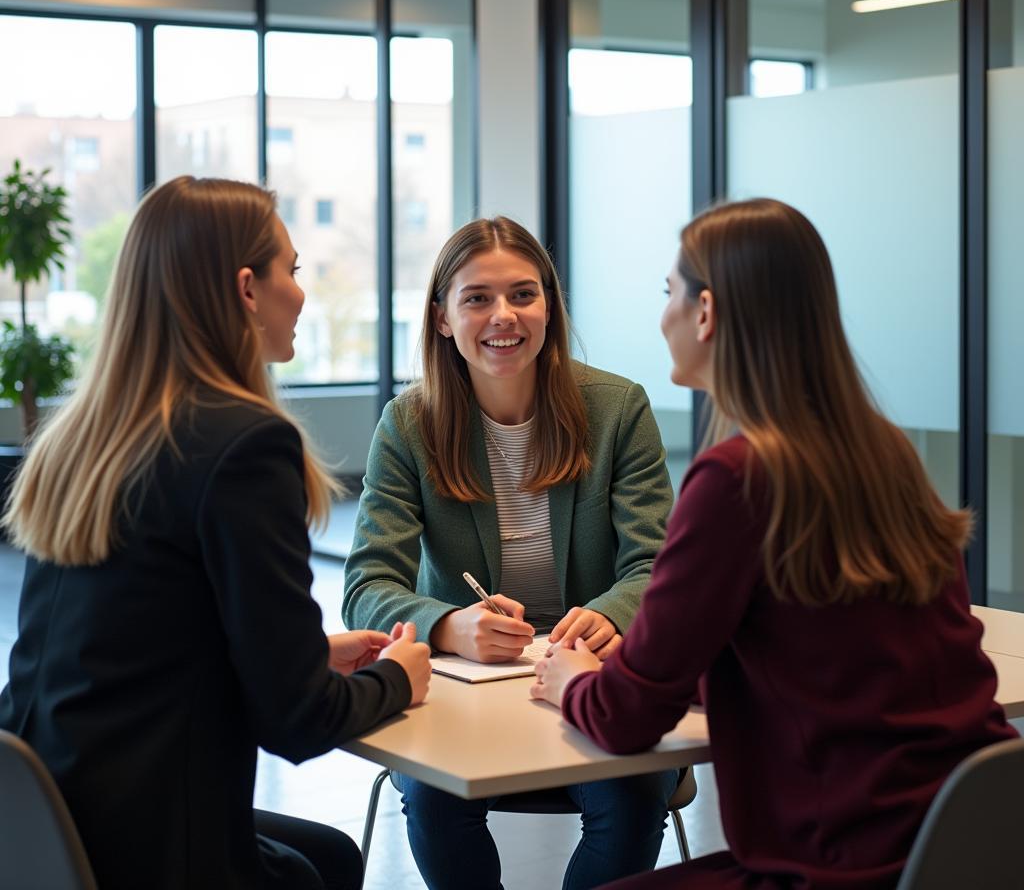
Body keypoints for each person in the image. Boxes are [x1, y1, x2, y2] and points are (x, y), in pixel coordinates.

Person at [531, 198, 1018, 890]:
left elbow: (626, 719)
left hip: (837, 863)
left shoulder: (736, 479)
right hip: (964, 845)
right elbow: (830, 651)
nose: (661, 314)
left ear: (706, 313)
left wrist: (575, 682)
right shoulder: (884, 451)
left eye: (667, 292)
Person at [0, 176, 432, 890]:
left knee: (326, 855)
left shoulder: (82, 438)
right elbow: (296, 723)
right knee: (316, 872)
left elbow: (132, 638)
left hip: (46, 822)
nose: (302, 292)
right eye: (291, 270)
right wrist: (398, 679)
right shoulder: (245, 446)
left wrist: (307, 652)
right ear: (245, 288)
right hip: (150, 847)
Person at [342, 216, 678, 890]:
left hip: (596, 674)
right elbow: (367, 581)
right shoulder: (409, 425)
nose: (505, 316)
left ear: (548, 307)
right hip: (467, 685)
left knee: (633, 800)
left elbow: (658, 568)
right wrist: (448, 624)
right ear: (442, 317)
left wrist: (611, 613)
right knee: (435, 800)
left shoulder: (618, 410)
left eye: (524, 295)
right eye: (477, 298)